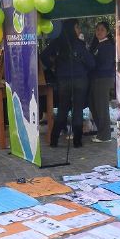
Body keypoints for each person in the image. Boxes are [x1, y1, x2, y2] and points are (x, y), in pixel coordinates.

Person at [41, 18, 95, 148]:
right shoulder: (80, 44)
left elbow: (43, 56)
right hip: (80, 80)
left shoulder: (57, 43)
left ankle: (54, 140)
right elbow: (91, 63)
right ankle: (77, 141)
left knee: (62, 109)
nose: (79, 30)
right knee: (77, 110)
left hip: (63, 79)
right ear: (73, 28)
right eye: (77, 27)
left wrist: (53, 65)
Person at [88, 22, 114, 143]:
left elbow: (106, 64)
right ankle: (101, 132)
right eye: (97, 29)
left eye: (102, 30)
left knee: (101, 107)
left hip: (103, 79)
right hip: (96, 79)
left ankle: (105, 135)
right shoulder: (98, 45)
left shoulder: (108, 46)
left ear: (107, 32)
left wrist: (93, 65)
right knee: (94, 106)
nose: (99, 31)